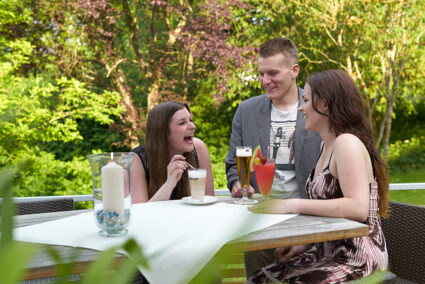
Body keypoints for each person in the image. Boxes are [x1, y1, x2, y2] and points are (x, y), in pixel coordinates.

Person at [247, 69, 390, 283]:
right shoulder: (326, 145)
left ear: (323, 104)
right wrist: (305, 243)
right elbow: (332, 209)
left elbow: (357, 208)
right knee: (259, 278)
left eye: (305, 100)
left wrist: (291, 204)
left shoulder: (346, 143)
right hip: (328, 253)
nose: (301, 108)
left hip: (357, 259)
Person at [224, 37, 321, 276]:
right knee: (258, 279)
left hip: (308, 222)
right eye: (261, 74)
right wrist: (237, 184)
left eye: (273, 73)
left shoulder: (317, 109)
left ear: (293, 70)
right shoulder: (246, 111)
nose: (265, 81)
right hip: (259, 222)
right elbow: (233, 165)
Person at [131, 101, 214, 203]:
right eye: (182, 123)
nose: (193, 126)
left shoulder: (198, 148)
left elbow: (209, 201)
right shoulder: (137, 159)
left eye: (190, 120)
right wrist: (169, 183)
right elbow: (140, 214)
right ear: (162, 132)